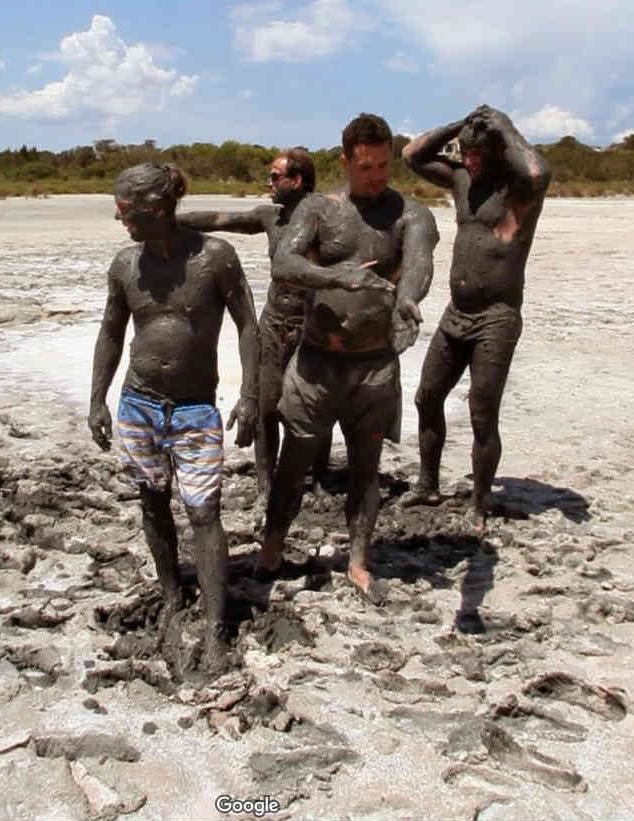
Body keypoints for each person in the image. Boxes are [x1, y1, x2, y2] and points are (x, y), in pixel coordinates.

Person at [258, 113, 438, 604]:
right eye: (366, 167)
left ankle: (358, 561)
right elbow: (284, 263)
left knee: (366, 469)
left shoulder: (412, 214)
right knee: (293, 464)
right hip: (316, 365)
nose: (377, 175)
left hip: (374, 367)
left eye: (383, 165)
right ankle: (271, 550)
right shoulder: (320, 208)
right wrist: (339, 277)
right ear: (345, 161)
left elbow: (420, 263)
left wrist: (408, 299)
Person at [88, 162, 260, 673]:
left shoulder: (215, 259)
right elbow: (111, 333)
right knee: (151, 500)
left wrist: (250, 395)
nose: (120, 220)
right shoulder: (125, 266)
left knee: (204, 512)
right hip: (138, 403)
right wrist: (97, 399)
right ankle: (170, 595)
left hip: (194, 408)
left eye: (124, 210)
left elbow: (250, 327)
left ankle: (214, 624)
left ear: (156, 209)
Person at [399, 105, 551, 532]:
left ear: (498, 150)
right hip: (456, 313)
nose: (469, 160)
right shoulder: (461, 178)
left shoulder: (519, 186)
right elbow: (412, 154)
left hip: (497, 317)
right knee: (427, 396)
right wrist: (458, 124)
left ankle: (480, 503)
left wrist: (504, 125)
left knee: (483, 413)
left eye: (477, 153)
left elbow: (540, 173)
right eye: (464, 152)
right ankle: (428, 483)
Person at [176, 148, 331, 501]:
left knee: (317, 405)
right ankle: (266, 483)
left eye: (276, 177)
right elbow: (220, 219)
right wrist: (170, 220)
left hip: (316, 324)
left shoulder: (329, 217)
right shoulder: (269, 217)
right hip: (275, 321)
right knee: (266, 406)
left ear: (298, 181)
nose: (269, 183)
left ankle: (320, 477)